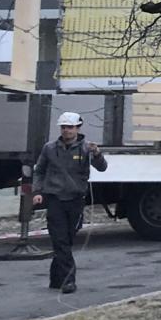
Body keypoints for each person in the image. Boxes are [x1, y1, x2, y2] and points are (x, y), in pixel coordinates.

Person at [32, 111, 108, 294]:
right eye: (64, 127)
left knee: (67, 240)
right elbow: (39, 170)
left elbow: (102, 168)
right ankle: (68, 280)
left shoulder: (86, 148)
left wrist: (97, 154)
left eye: (70, 127)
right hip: (55, 199)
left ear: (78, 128)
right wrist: (37, 191)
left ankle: (56, 278)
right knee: (60, 240)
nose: (66, 130)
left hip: (75, 200)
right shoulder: (50, 148)